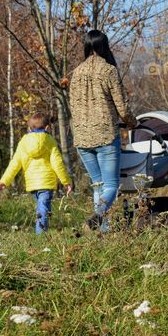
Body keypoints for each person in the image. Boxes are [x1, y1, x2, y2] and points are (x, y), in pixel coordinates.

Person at [69, 30, 136, 231]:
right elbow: (122, 108)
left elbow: (72, 106)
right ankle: (98, 218)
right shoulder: (108, 71)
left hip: (82, 137)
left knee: (98, 185)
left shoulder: (76, 73)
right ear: (104, 46)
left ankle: (103, 230)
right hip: (105, 135)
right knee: (111, 186)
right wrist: (132, 122)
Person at [0, 112, 72, 234]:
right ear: (47, 128)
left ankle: (42, 231)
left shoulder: (23, 142)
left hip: (32, 185)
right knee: (43, 209)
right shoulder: (50, 141)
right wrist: (66, 181)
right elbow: (57, 163)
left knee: (43, 207)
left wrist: (4, 181)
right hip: (46, 183)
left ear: (29, 128)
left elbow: (14, 163)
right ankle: (41, 235)